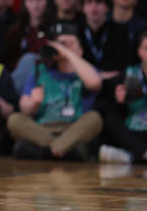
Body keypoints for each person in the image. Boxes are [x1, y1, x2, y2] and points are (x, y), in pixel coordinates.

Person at [7, 23, 103, 160]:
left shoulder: (85, 70)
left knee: (95, 118)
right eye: (62, 43)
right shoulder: (40, 70)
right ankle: (62, 149)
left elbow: (95, 83)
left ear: (80, 50)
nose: (65, 47)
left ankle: (49, 151)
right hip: (43, 130)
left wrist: (68, 54)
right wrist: (33, 103)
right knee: (14, 120)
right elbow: (24, 108)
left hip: (73, 129)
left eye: (71, 43)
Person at [99, 29, 147, 165]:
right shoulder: (128, 73)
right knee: (110, 119)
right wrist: (119, 101)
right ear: (139, 51)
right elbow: (117, 112)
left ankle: (132, 155)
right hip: (133, 131)